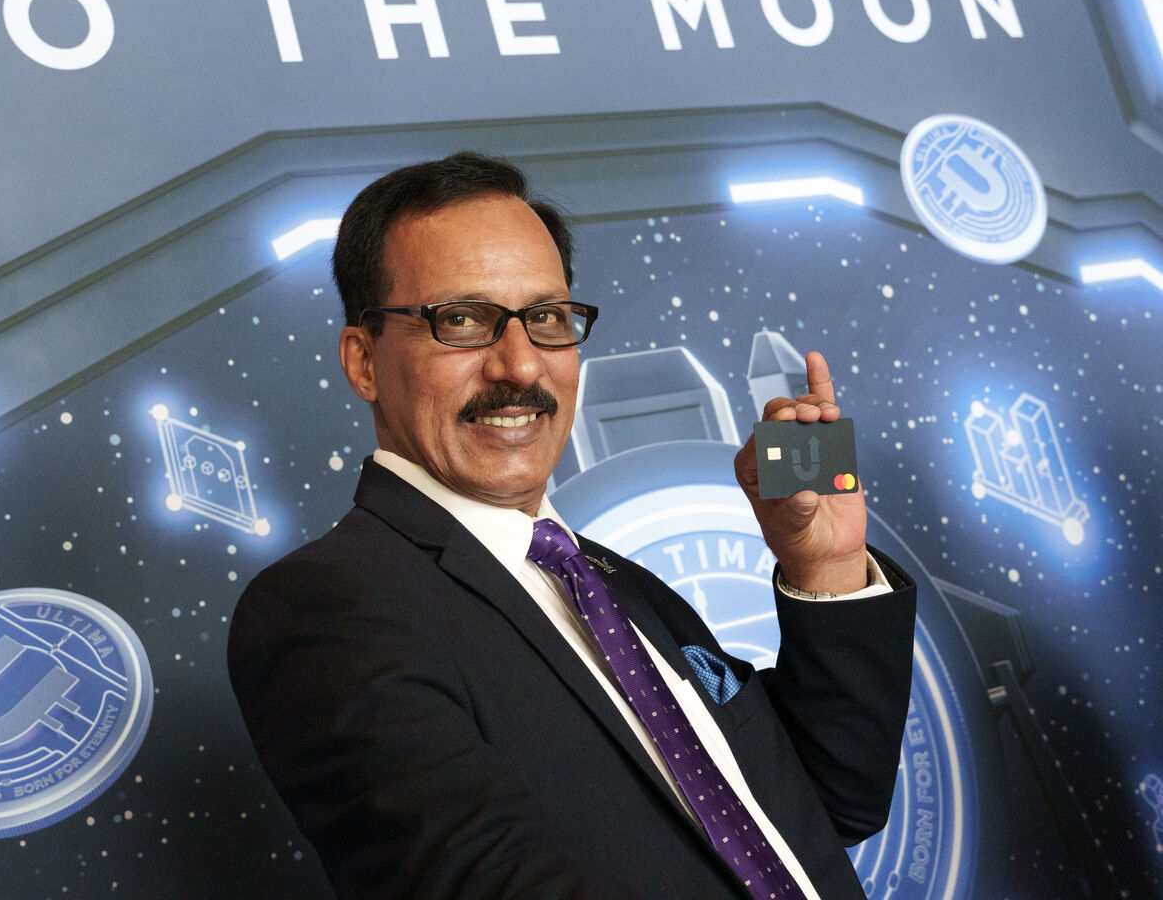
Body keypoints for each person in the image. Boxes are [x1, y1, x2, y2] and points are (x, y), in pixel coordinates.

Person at [227, 152, 916, 899]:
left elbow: (824, 807)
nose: (520, 366)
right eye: (462, 320)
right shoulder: (327, 607)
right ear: (364, 362)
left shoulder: (616, 585)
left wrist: (826, 568)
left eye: (545, 319)